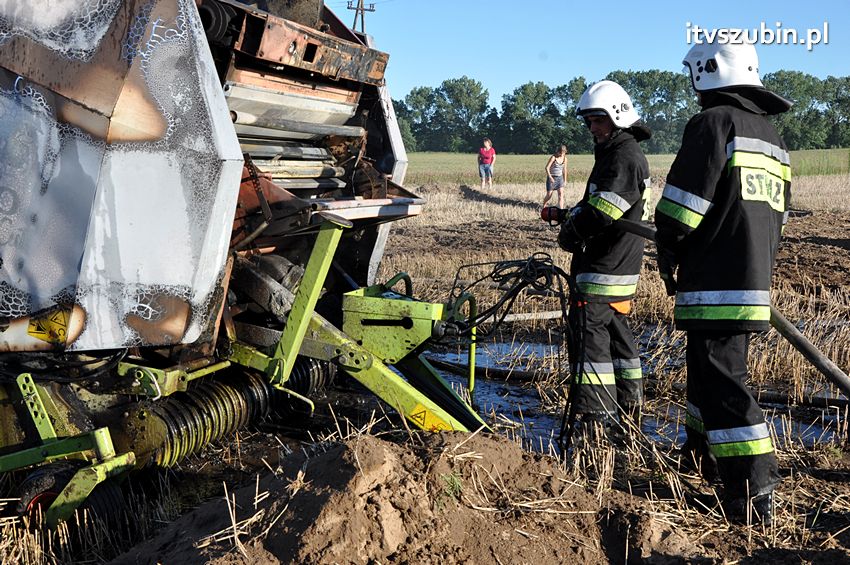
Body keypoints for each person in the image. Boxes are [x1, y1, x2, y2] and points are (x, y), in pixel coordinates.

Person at [654, 41, 792, 526]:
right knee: (706, 376)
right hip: (751, 279)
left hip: (714, 280)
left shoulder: (712, 124)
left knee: (724, 384)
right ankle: (700, 458)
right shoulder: (771, 137)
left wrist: (666, 244)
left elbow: (681, 207)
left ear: (703, 75)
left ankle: (754, 488)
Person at [558, 81, 652, 429]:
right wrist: (570, 214)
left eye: (598, 120)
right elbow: (595, 205)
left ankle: (596, 418)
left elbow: (601, 212)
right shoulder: (618, 154)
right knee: (616, 336)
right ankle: (629, 407)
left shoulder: (622, 157)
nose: (592, 128)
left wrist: (569, 232)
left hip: (603, 268)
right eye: (589, 122)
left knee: (591, 340)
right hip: (616, 266)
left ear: (617, 117)